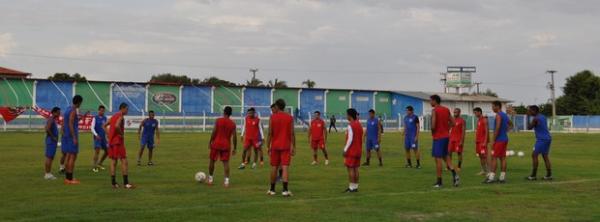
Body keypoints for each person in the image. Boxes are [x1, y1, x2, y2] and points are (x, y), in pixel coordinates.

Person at [429, 95, 459, 188]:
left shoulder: (434, 110)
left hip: (438, 138)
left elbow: (433, 126)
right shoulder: (446, 109)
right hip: (446, 137)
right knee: (446, 158)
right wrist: (447, 128)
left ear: (435, 101)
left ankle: (439, 182)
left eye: (431, 101)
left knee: (438, 160)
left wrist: (433, 132)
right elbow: (454, 123)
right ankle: (455, 175)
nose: (430, 102)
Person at [267, 99, 295, 197]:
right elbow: (292, 133)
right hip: (286, 145)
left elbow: (270, 133)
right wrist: (293, 146)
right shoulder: (290, 117)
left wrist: (267, 146)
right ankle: (285, 190)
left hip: (275, 146)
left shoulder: (272, 117)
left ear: (277, 106)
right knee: (285, 167)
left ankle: (272, 189)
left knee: (274, 167)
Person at [105, 102, 134, 189]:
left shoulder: (113, 116)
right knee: (124, 161)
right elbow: (117, 126)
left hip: (111, 142)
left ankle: (113, 183)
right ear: (123, 108)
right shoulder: (120, 116)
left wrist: (108, 135)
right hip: (118, 142)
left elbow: (104, 125)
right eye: (127, 109)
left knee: (113, 162)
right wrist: (121, 134)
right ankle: (126, 183)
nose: (127, 110)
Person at [207, 106, 237, 187]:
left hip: (216, 143)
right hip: (226, 145)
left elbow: (214, 132)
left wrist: (210, 141)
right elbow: (234, 137)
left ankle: (210, 179)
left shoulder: (218, 120)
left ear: (224, 112)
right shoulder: (232, 124)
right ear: (230, 113)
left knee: (212, 161)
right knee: (226, 163)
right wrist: (235, 148)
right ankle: (226, 182)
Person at [485, 101, 513, 183]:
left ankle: (491, 178)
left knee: (494, 158)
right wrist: (505, 130)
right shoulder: (505, 115)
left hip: (499, 140)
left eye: (493, 106)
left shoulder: (498, 115)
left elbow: (497, 128)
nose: (492, 108)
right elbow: (511, 124)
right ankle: (502, 177)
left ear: (497, 106)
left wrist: (493, 140)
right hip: (505, 139)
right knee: (502, 158)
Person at [526, 105, 553, 181]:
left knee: (534, 155)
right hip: (548, 138)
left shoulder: (535, 119)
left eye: (530, 111)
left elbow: (529, 127)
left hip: (542, 139)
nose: (529, 112)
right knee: (545, 156)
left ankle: (533, 175)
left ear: (534, 111)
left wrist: (528, 117)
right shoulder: (543, 116)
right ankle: (549, 175)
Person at [62, 95, 83, 185]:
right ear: (78, 102)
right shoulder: (73, 110)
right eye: (80, 103)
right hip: (71, 136)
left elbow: (64, 122)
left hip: (66, 135)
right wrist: (74, 137)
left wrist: (63, 132)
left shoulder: (67, 109)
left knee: (68, 156)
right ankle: (70, 179)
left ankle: (68, 177)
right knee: (73, 157)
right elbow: (71, 123)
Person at [343, 108, 363, 193]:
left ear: (350, 115)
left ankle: (351, 187)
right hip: (358, 150)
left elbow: (350, 139)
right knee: (356, 169)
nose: (346, 116)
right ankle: (355, 187)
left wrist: (345, 149)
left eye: (347, 114)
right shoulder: (359, 124)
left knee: (350, 168)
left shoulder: (350, 125)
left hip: (352, 150)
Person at [43, 107, 60, 180]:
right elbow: (47, 129)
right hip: (51, 141)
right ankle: (47, 174)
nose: (59, 114)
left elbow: (46, 127)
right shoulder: (51, 119)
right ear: (54, 112)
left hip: (52, 141)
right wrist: (53, 137)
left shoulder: (52, 119)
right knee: (49, 157)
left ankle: (48, 173)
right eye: (58, 112)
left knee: (50, 157)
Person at [473, 107, 490, 176]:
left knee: (485, 156)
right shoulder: (479, 120)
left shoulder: (484, 120)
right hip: (478, 141)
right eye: (474, 113)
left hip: (482, 142)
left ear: (480, 112)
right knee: (480, 156)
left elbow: (486, 131)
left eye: (476, 112)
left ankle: (489, 171)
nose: (475, 114)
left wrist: (485, 142)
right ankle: (483, 170)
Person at [91, 105, 108, 173]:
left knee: (107, 151)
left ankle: (100, 163)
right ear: (98, 110)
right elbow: (92, 128)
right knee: (97, 151)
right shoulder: (95, 118)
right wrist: (96, 134)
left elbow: (106, 127)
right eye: (101, 110)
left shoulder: (105, 118)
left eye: (103, 111)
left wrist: (108, 136)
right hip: (97, 138)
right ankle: (94, 167)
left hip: (103, 138)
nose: (102, 112)